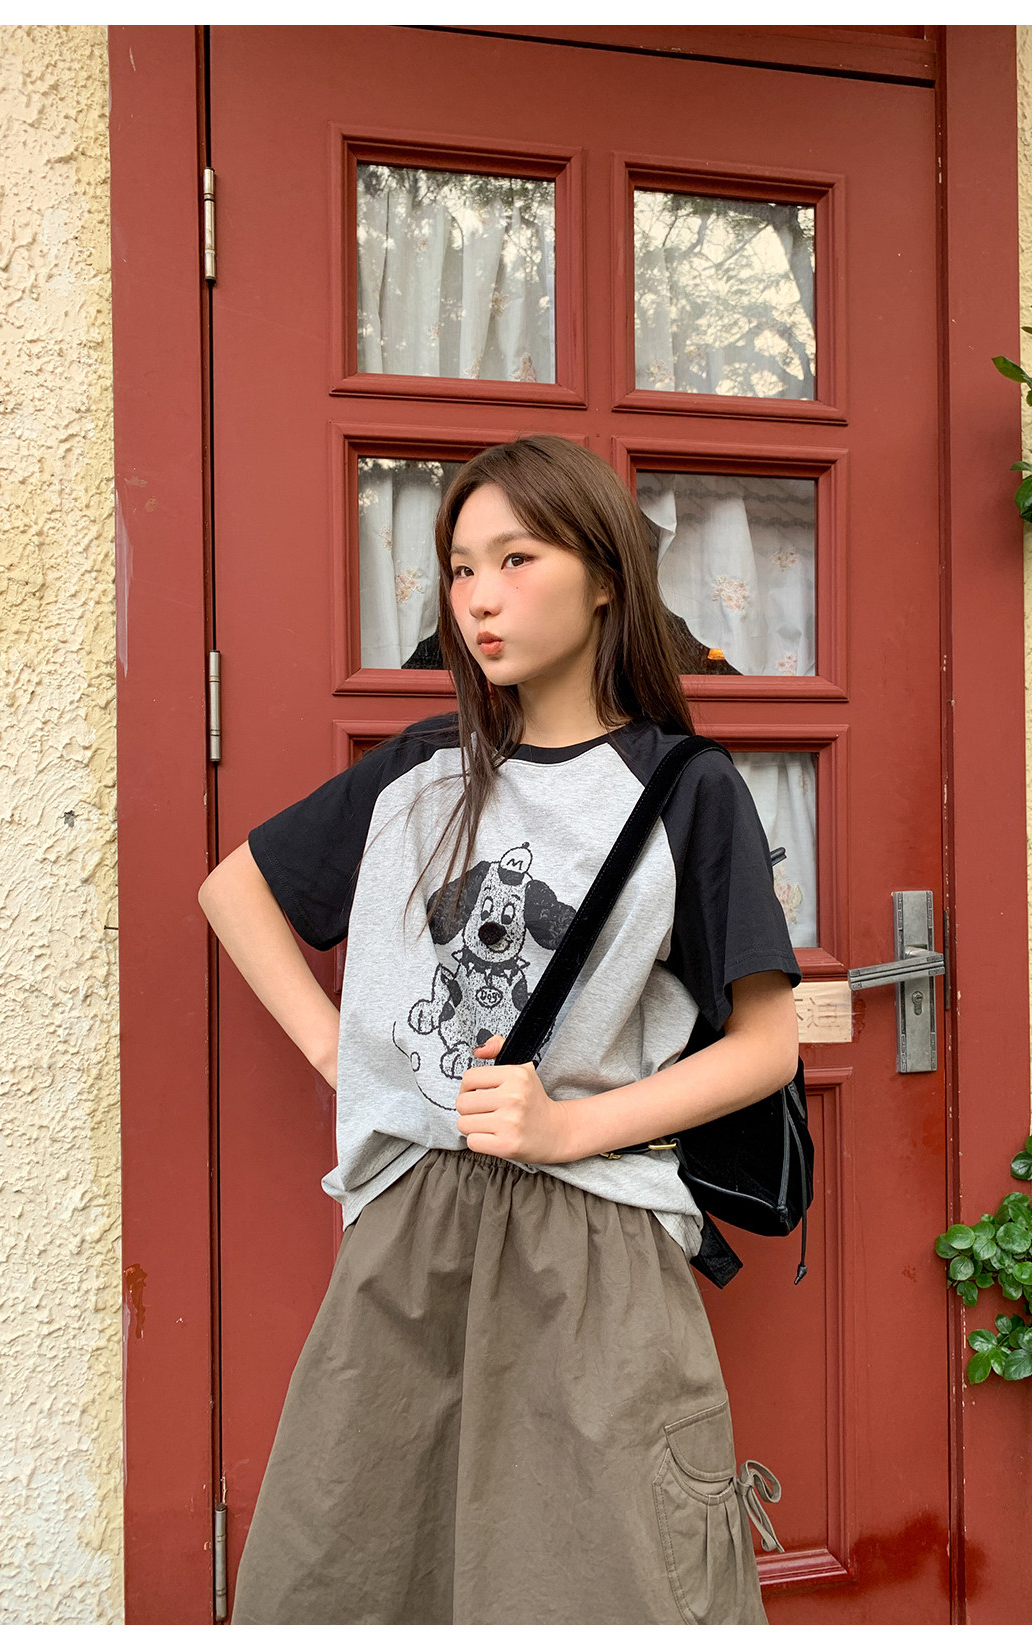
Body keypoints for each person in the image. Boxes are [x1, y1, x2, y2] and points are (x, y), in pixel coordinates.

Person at [198, 434, 801, 1625]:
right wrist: (339, 1053)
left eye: (517, 560)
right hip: (412, 1232)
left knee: (595, 1582)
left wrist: (569, 1128)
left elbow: (766, 1044)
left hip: (596, 1237)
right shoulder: (424, 771)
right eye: (461, 567)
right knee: (358, 1564)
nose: (479, 596)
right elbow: (236, 890)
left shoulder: (685, 790)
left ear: (605, 577)